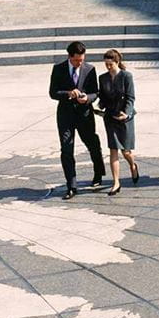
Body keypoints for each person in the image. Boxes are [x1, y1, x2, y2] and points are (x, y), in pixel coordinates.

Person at [49, 41, 105, 200]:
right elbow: (53, 92)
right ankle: (71, 185)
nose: (79, 63)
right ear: (69, 57)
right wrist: (68, 93)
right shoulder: (58, 69)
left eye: (81, 60)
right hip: (65, 115)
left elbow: (95, 92)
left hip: (84, 114)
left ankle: (98, 172)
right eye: (76, 60)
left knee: (92, 143)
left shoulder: (90, 69)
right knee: (67, 149)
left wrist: (87, 98)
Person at [98, 49, 139, 196]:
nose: (108, 67)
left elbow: (130, 97)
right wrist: (100, 104)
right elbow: (102, 96)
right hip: (110, 117)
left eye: (111, 64)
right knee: (113, 149)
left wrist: (126, 113)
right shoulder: (102, 78)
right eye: (106, 64)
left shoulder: (126, 76)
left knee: (126, 151)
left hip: (125, 118)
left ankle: (133, 165)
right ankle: (116, 182)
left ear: (117, 62)